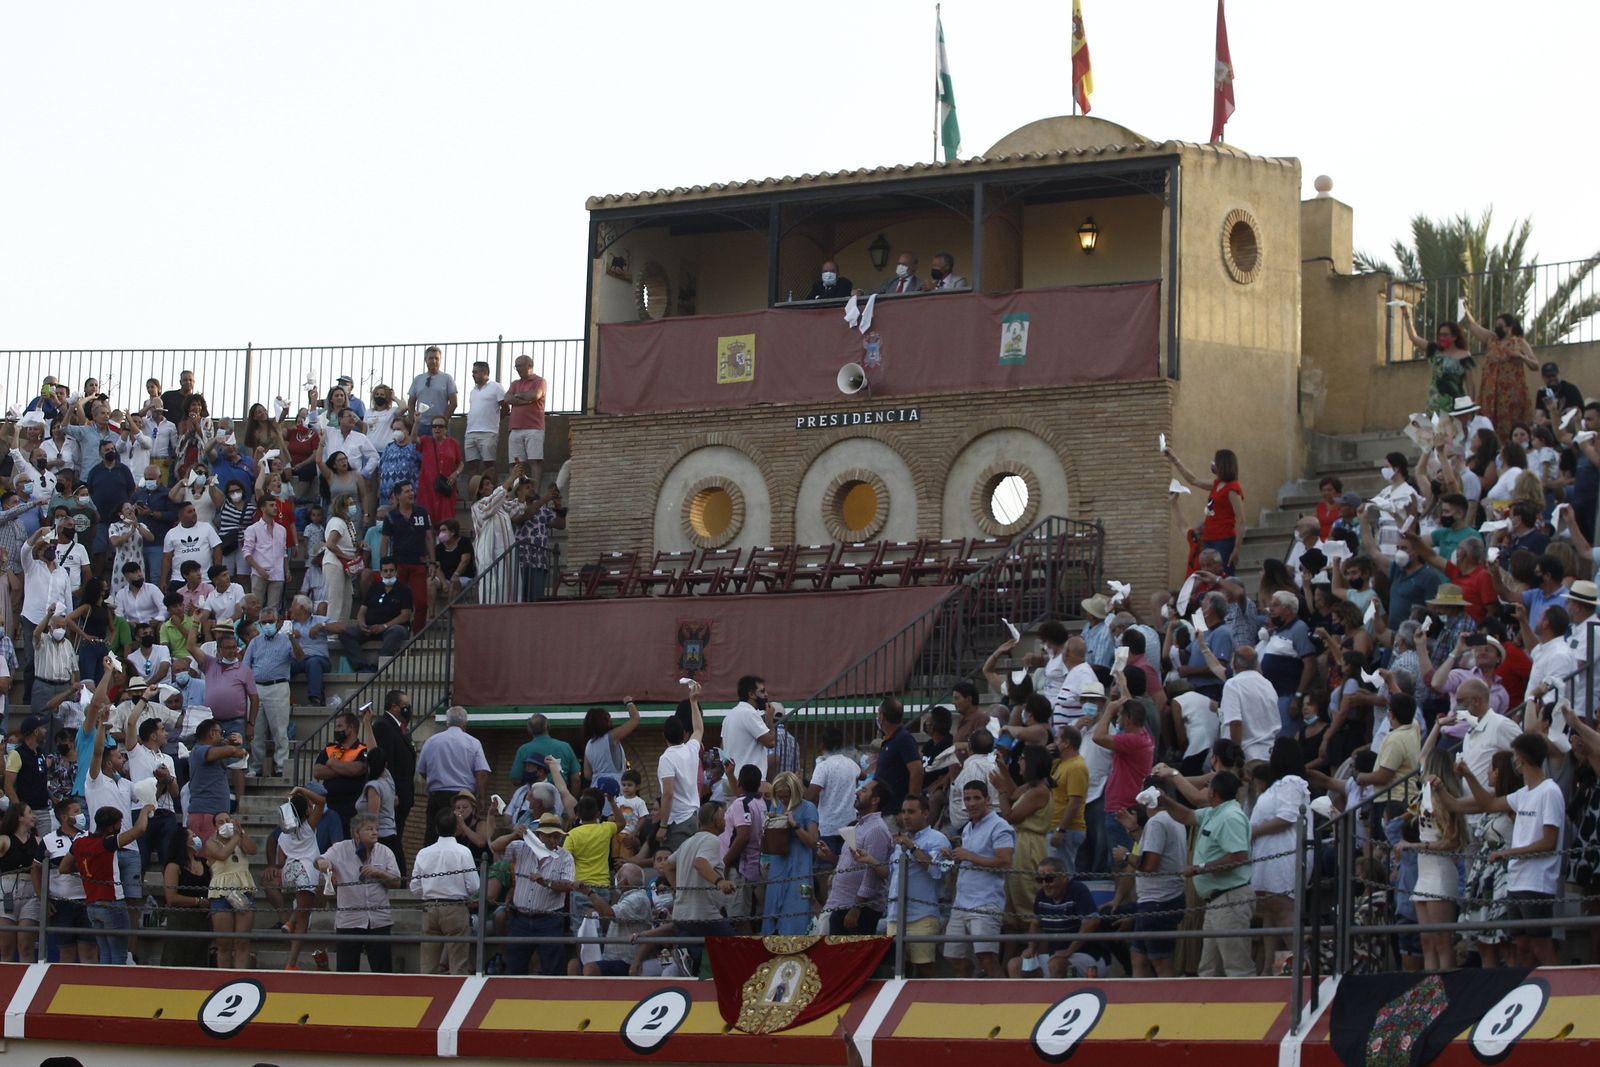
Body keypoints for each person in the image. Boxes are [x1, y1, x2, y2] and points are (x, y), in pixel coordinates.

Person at [1160, 770, 1252, 977]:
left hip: (1230, 898)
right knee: (1208, 968)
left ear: (1214, 792)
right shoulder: (1215, 812)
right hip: (1217, 900)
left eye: (1208, 786)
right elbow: (1186, 815)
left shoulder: (1231, 817)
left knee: (1237, 966)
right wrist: (1164, 800)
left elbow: (1239, 857)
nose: (1204, 790)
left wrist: (1199, 868)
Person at [941, 780, 1014, 978]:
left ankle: (999, 1001)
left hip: (986, 902)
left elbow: (1005, 862)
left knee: (988, 958)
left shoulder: (1000, 826)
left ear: (988, 800)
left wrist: (968, 856)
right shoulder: (967, 828)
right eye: (967, 799)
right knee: (953, 957)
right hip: (962, 902)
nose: (971, 803)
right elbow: (969, 859)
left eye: (976, 798)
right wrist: (954, 857)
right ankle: (970, 996)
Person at [316, 812, 403, 973]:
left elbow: (397, 882)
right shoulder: (340, 848)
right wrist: (323, 862)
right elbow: (319, 860)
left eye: (376, 829)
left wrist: (380, 873)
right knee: (346, 973)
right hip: (349, 920)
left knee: (383, 972)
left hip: (379, 920)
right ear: (357, 833)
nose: (375, 832)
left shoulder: (385, 851)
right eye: (369, 829)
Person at [491, 811, 575, 976]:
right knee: (515, 968)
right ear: (539, 835)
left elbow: (568, 885)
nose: (553, 840)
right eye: (549, 836)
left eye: (556, 836)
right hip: (520, 918)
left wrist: (546, 882)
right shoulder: (521, 848)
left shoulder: (565, 857)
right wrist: (513, 835)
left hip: (549, 920)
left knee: (553, 969)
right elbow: (495, 847)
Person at [73, 801, 153, 965]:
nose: (119, 827)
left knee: (105, 953)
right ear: (110, 827)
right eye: (118, 824)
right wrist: (145, 810)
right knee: (118, 954)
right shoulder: (107, 843)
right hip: (111, 902)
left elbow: (64, 867)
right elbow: (139, 830)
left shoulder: (80, 842)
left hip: (91, 905)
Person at [669, 800, 738, 974]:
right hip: (703, 913)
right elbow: (700, 863)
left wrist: (678, 891)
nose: (725, 820)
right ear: (716, 820)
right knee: (734, 945)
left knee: (698, 947)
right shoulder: (711, 840)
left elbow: (667, 866)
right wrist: (719, 882)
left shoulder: (688, 842)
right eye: (723, 816)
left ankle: (690, 954)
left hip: (681, 915)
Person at [412, 808, 481, 975]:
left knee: (427, 965)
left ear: (436, 828)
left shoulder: (423, 853)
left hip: (429, 907)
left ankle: (426, 997)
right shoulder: (463, 852)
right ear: (457, 827)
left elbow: (415, 887)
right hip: (455, 907)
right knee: (458, 966)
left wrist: (429, 893)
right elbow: (474, 886)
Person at [1008, 855, 1102, 978]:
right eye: (1039, 880)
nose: (1044, 884)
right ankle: (1027, 997)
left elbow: (1092, 922)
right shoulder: (1042, 895)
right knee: (1014, 965)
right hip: (1054, 956)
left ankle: (1054, 997)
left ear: (1063, 877)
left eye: (1049, 879)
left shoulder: (1078, 889)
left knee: (1056, 964)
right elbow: (1036, 924)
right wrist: (1031, 948)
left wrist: (1069, 951)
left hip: (1086, 955)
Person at [1128, 790, 1188, 977]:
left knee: (1161, 962)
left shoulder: (1157, 822)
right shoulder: (1175, 820)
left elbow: (1149, 865)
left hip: (1158, 900)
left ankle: (1168, 1003)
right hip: (1156, 898)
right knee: (1138, 957)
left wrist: (1125, 858)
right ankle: (1139, 1001)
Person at [824, 781, 893, 937]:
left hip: (859, 910)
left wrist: (856, 908)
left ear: (875, 800)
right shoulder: (860, 825)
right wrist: (832, 859)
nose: (857, 793)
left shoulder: (876, 829)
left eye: (863, 790)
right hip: (843, 904)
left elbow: (872, 873)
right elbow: (854, 863)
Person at [416, 705, 490, 845]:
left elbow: (422, 769)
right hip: (462, 798)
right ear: (464, 723)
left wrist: (433, 780)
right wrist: (481, 797)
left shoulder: (431, 741)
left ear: (447, 722)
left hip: (436, 796)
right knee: (458, 836)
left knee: (433, 835)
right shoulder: (473, 742)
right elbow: (482, 772)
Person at [1461, 305, 1538, 439]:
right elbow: (1473, 326)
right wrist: (1465, 308)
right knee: (1489, 426)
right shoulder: (1492, 339)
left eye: (1500, 325)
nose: (1497, 328)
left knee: (1511, 426)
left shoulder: (1520, 343)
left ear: (1510, 327)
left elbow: (1535, 365)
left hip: (1511, 396)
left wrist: (1521, 357)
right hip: (1490, 394)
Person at [1166, 446, 1244, 574]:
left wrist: (1237, 548)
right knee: (1208, 576)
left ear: (1222, 464)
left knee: (1222, 574)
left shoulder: (1232, 489)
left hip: (1224, 539)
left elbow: (1241, 519)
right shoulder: (1216, 485)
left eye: (1215, 461)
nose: (1213, 464)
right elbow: (1193, 480)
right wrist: (1174, 460)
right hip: (1209, 539)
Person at [761, 771, 819, 935]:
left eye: (786, 796)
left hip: (801, 867)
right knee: (773, 910)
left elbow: (812, 842)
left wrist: (795, 825)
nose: (783, 800)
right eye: (780, 797)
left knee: (798, 908)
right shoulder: (776, 805)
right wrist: (772, 822)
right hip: (778, 865)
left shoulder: (808, 808)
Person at [41, 797, 97, 964]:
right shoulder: (48, 840)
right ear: (64, 817)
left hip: (88, 902)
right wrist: (42, 897)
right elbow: (37, 869)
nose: (81, 815)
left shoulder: (91, 837)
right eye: (76, 811)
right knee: (66, 953)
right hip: (61, 904)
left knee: (89, 951)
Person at [278, 786, 326, 971]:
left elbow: (280, 859)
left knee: (302, 907)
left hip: (290, 872)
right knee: (304, 920)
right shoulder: (308, 828)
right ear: (306, 811)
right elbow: (321, 801)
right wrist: (302, 790)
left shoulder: (283, 835)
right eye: (308, 806)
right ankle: (291, 963)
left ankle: (291, 921)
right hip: (306, 872)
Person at [205, 811, 259, 970]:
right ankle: (224, 977)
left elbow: (252, 850)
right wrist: (236, 837)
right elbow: (222, 855)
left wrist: (241, 833)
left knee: (242, 941)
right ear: (215, 826)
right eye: (220, 822)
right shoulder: (211, 843)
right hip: (221, 892)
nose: (225, 823)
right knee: (224, 943)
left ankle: (239, 976)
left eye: (228, 820)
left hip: (243, 888)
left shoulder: (240, 838)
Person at [340, 557, 414, 672]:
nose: (388, 573)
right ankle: (361, 666)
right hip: (371, 627)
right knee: (345, 633)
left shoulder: (404, 590)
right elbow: (362, 611)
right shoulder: (374, 589)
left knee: (396, 631)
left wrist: (384, 626)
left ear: (396, 572)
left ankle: (377, 666)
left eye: (391, 570)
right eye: (385, 571)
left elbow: (405, 615)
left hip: (392, 628)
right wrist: (362, 624)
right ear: (380, 573)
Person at [655, 681, 705, 850]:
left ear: (664, 736)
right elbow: (698, 729)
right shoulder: (690, 749)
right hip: (693, 817)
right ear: (683, 734)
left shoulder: (666, 758)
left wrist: (662, 827)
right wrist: (693, 702)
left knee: (676, 868)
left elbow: (668, 793)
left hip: (678, 820)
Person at [380, 482, 434, 634]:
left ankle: (418, 633)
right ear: (398, 496)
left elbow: (429, 538)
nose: (411, 494)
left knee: (421, 602)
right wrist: (383, 564)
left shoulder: (422, 513)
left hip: (418, 563)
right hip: (399, 565)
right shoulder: (390, 516)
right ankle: (399, 630)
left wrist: (433, 562)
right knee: (397, 601)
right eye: (406, 491)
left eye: (411, 490)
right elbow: (385, 541)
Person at [1400, 305, 1474, 413]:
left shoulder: (1464, 355)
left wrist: (1471, 406)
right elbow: (1413, 337)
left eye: (1445, 335)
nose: (1442, 338)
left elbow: (1470, 383)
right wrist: (1406, 314)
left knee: (1450, 430)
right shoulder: (1435, 351)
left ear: (1454, 337)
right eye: (1440, 335)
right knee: (1418, 430)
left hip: (1455, 406)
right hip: (1433, 405)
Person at [161, 827, 213, 968]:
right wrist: (198, 901)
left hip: (202, 920)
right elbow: (171, 897)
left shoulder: (205, 863)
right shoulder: (173, 866)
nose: (196, 838)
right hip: (181, 920)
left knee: (200, 958)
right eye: (193, 836)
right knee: (177, 957)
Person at [370, 689, 417, 842]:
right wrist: (392, 792)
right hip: (394, 795)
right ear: (394, 707)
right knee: (390, 839)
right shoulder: (383, 726)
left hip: (404, 794)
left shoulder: (401, 728)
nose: (408, 709)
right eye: (406, 705)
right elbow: (386, 760)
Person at [0, 805, 43, 964]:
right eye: (30, 812)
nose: (34, 816)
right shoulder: (4, 840)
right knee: (5, 947)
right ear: (19, 817)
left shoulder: (39, 841)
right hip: (6, 891)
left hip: (32, 891)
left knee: (26, 946)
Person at [502, 354, 548, 488]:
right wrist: (524, 398)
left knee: (535, 461)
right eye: (515, 366)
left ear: (529, 365)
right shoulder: (515, 383)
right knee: (516, 464)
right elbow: (507, 399)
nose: (517, 369)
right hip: (515, 428)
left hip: (534, 428)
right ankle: (517, 492)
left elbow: (535, 395)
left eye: (520, 366)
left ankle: (534, 493)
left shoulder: (539, 381)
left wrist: (517, 397)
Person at [721, 675, 776, 786]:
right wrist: (770, 720)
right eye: (762, 691)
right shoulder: (750, 713)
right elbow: (771, 742)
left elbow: (722, 747)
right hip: (747, 783)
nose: (766, 695)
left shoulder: (730, 715)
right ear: (751, 694)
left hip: (730, 779)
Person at [874, 696, 923, 818]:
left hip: (895, 812)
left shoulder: (903, 739)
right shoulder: (890, 740)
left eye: (879, 713)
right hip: (885, 810)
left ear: (882, 717)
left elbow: (916, 770)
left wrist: (909, 808)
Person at [463, 361, 506, 482]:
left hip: (488, 432)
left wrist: (495, 420)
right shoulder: (473, 391)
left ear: (485, 372)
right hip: (470, 432)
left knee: (489, 465)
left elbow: (506, 407)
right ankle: (475, 496)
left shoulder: (496, 387)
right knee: (472, 465)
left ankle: (493, 496)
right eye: (473, 372)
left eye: (475, 372)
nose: (473, 374)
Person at [582, 700, 640, 786]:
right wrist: (629, 702)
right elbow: (635, 719)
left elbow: (587, 775)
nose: (611, 720)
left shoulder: (589, 744)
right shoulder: (611, 736)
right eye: (608, 718)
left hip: (596, 787)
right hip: (615, 786)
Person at [407, 345, 459, 422]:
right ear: (425, 360)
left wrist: (443, 420)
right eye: (431, 358)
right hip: (420, 424)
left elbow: (453, 403)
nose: (434, 361)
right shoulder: (418, 379)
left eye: (436, 358)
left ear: (440, 360)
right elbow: (411, 403)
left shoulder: (447, 379)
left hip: (439, 426)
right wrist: (413, 420)